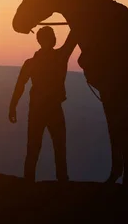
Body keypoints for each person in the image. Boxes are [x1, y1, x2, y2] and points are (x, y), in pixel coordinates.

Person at [8, 26, 78, 183]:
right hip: (53, 110)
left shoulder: (31, 63)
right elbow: (74, 37)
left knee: (34, 148)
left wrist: (13, 106)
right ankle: (62, 182)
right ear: (52, 40)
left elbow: (20, 86)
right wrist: (76, 20)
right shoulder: (60, 57)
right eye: (52, 36)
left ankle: (29, 182)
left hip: (37, 111)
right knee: (59, 148)